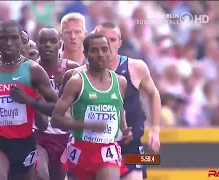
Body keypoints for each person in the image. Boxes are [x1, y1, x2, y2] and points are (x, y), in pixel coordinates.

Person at [62, 22, 161, 180]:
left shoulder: (135, 67)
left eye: (113, 40)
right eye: (103, 39)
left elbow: (154, 94)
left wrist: (155, 129)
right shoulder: (79, 75)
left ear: (120, 43)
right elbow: (62, 110)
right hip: (91, 147)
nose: (108, 44)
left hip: (130, 147)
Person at [0, 20, 58, 180]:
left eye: (14, 38)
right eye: (3, 38)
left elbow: (56, 106)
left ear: (21, 40)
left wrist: (29, 101)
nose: (8, 43)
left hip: (24, 141)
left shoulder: (33, 70)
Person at [51, 33, 130, 180]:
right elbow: (55, 119)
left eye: (104, 49)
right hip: (80, 150)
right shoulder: (77, 82)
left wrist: (124, 129)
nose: (100, 54)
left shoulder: (120, 82)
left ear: (109, 51)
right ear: (85, 53)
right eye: (94, 50)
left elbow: (118, 109)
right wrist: (86, 125)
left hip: (107, 150)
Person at [34, 28, 79, 180]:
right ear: (37, 44)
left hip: (64, 137)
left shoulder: (72, 69)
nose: (48, 45)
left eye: (52, 41)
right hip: (38, 135)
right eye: (43, 41)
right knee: (41, 176)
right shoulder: (30, 69)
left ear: (60, 44)